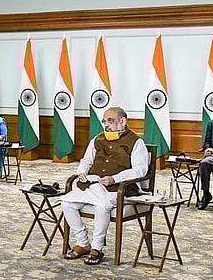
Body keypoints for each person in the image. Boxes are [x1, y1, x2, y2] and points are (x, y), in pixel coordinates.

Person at [61, 107, 149, 265]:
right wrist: (81, 172)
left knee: (102, 206)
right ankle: (83, 243)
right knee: (67, 202)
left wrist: (115, 179)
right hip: (93, 183)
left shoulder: (136, 142)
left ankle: (97, 248)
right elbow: (86, 161)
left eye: (110, 121)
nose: (106, 125)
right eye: (104, 121)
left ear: (122, 121)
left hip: (120, 188)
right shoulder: (97, 139)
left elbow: (140, 170)